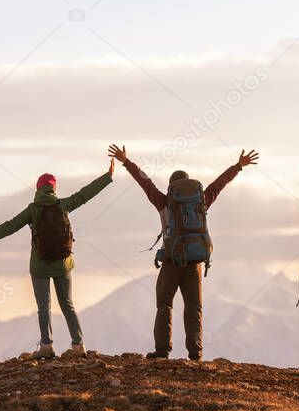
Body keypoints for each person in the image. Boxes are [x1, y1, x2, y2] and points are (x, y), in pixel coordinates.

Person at [108, 144, 259, 361]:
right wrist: (238, 166)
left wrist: (126, 161)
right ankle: (195, 353)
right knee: (194, 307)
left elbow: (145, 182)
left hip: (171, 262)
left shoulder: (163, 202)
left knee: (164, 304)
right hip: (195, 262)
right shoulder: (201, 201)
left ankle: (162, 351)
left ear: (172, 188)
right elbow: (218, 185)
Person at [0, 160, 114, 360]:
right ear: (54, 188)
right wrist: (107, 177)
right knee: (67, 304)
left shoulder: (33, 209)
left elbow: (12, 224)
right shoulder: (63, 204)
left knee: (44, 306)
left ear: (38, 188)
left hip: (40, 266)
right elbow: (85, 195)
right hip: (63, 264)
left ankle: (46, 345)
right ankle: (78, 345)